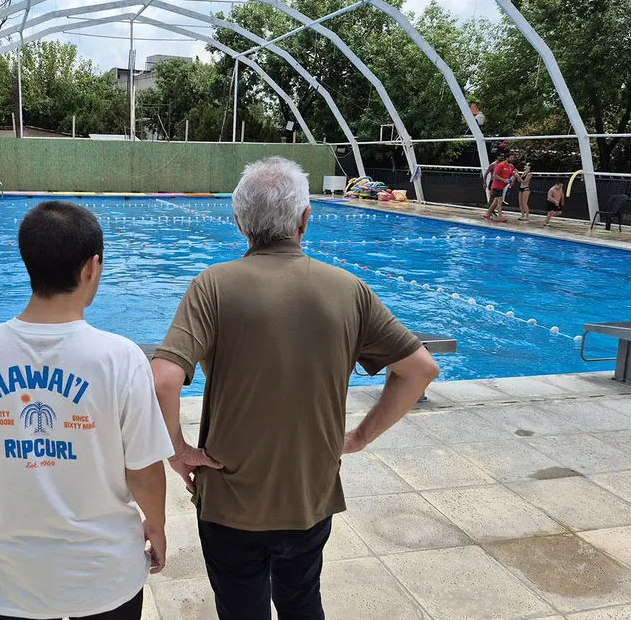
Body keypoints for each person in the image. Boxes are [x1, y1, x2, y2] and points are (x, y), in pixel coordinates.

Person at [150, 157, 441, 620]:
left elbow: (163, 377)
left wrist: (177, 449)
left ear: (239, 221)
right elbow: (420, 370)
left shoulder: (212, 286)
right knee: (302, 601)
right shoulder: (350, 290)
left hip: (229, 501)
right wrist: (359, 438)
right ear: (306, 218)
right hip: (309, 497)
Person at [0, 201, 174, 620]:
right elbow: (144, 473)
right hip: (106, 576)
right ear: (91, 268)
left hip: (17, 581)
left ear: (28, 261)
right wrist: (156, 526)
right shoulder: (120, 358)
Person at [484, 153, 515, 222]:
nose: (512, 159)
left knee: (495, 202)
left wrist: (511, 181)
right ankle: (501, 217)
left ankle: (487, 214)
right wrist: (503, 180)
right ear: (507, 158)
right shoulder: (500, 165)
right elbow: (495, 175)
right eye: (511, 157)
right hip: (497, 186)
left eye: (513, 158)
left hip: (503, 187)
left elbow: (511, 175)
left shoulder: (511, 166)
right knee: (499, 201)